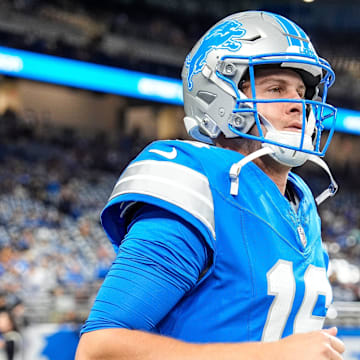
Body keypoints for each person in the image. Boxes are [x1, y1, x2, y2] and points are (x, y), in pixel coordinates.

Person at [76, 10, 345, 360]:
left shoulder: (303, 203)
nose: (298, 104)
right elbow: (99, 348)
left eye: (301, 90)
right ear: (220, 100)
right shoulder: (199, 185)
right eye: (276, 89)